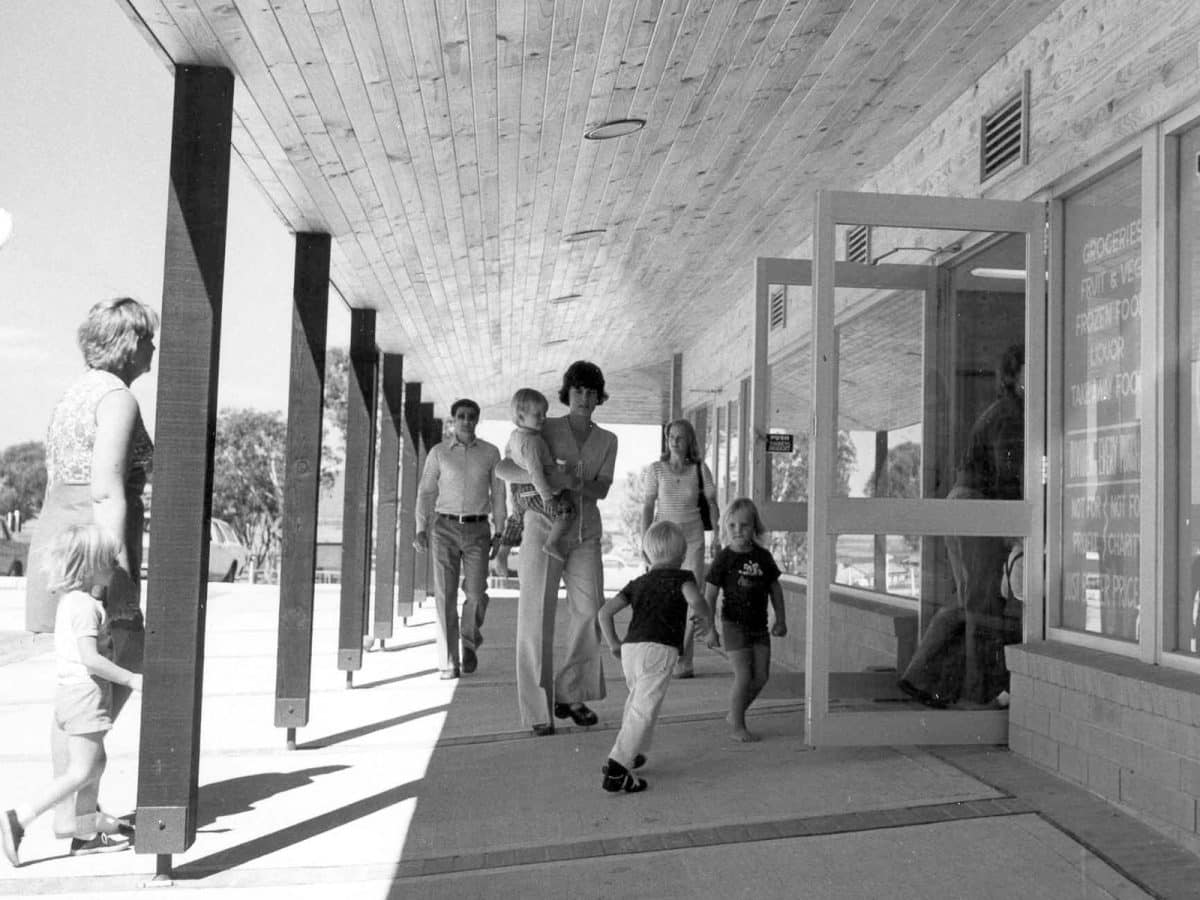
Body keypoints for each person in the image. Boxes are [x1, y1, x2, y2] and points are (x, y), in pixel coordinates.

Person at [25, 297, 157, 724]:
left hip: (65, 537)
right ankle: (76, 785)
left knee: (80, 678)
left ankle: (81, 787)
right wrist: (107, 577)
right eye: (148, 338)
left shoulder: (74, 393)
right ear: (129, 343)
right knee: (119, 661)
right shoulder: (116, 397)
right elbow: (105, 491)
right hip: (97, 541)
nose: (153, 349)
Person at [1, 524, 143, 866]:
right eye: (107, 559)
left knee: (96, 763)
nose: (114, 565)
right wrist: (131, 678)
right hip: (85, 696)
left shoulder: (72, 602)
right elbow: (91, 659)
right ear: (88, 565)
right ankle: (19, 818)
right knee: (81, 771)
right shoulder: (86, 608)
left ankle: (86, 835)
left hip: (70, 695)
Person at [899, 343, 1025, 708]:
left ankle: (921, 677)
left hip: (966, 506)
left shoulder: (1002, 412)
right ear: (1012, 376)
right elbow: (1008, 474)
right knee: (983, 607)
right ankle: (977, 697)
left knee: (968, 600)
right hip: (978, 507)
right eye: (1027, 372)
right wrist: (1017, 524)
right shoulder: (1009, 415)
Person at [497, 361, 618, 736]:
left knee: (589, 612)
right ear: (568, 393)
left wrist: (573, 482)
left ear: (599, 397)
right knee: (535, 617)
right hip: (542, 528)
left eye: (591, 391)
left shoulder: (608, 440)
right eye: (578, 390)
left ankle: (571, 694)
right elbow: (504, 467)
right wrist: (547, 478)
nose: (584, 398)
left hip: (585, 533)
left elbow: (603, 488)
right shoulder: (542, 427)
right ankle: (537, 710)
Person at [597, 520, 718, 793]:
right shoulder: (683, 578)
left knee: (636, 703)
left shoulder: (637, 582)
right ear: (682, 554)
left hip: (631, 650)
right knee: (644, 708)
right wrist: (708, 627)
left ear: (646, 555)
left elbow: (604, 613)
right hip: (659, 650)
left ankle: (631, 751)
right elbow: (697, 603)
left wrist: (614, 643)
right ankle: (617, 769)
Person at [414, 398, 506, 679]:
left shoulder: (491, 453)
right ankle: (448, 662)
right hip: (444, 528)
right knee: (445, 596)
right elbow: (426, 491)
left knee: (476, 594)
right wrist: (420, 526)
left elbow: (499, 494)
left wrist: (499, 531)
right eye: (461, 416)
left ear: (477, 420)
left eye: (471, 416)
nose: (466, 421)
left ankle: (468, 642)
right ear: (452, 420)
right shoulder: (439, 453)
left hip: (478, 530)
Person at [640, 418, 720, 678]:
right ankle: (664, 653)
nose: (674, 441)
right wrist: (644, 541)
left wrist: (717, 535)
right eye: (670, 436)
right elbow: (648, 506)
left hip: (693, 540)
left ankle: (684, 659)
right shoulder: (656, 469)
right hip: (663, 543)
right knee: (664, 598)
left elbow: (712, 504)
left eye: (680, 437)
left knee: (691, 598)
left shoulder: (699, 469)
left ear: (689, 442)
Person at [705, 498, 787, 743]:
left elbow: (775, 590)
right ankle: (738, 726)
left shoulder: (763, 557)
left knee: (761, 677)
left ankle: (734, 713)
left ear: (755, 528)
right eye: (732, 526)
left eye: (744, 525)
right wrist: (710, 628)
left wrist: (780, 619)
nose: (738, 530)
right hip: (733, 625)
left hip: (759, 626)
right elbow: (709, 596)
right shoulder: (724, 558)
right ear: (725, 529)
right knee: (743, 676)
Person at [505, 388, 577, 562]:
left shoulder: (515, 435)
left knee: (516, 518)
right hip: (533, 490)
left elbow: (508, 454)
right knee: (566, 512)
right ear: (521, 416)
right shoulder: (532, 442)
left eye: (545, 413)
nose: (544, 418)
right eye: (538, 415)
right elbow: (536, 473)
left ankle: (504, 549)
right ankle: (551, 543)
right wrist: (547, 498)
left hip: (520, 491)